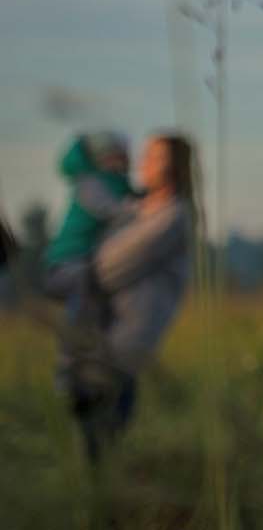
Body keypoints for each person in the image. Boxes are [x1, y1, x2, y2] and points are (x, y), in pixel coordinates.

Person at [56, 132, 195, 461]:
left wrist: (74, 261)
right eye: (145, 154)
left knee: (101, 444)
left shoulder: (172, 217)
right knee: (93, 445)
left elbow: (106, 267)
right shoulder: (139, 209)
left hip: (121, 346)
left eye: (154, 156)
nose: (142, 162)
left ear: (175, 166)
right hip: (100, 342)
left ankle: (102, 505)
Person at [42, 131, 137, 308]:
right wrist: (144, 209)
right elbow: (110, 210)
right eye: (118, 155)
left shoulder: (117, 183)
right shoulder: (90, 183)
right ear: (103, 157)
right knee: (85, 286)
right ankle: (77, 332)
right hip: (67, 261)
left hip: (87, 259)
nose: (126, 160)